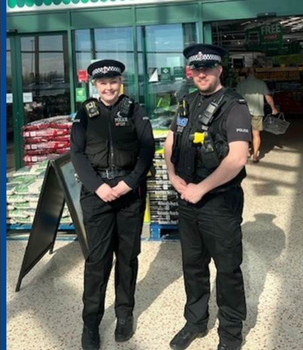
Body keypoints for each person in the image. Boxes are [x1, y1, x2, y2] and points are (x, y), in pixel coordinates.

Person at [164, 44, 250, 350]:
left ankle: (230, 334)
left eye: (207, 68)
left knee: (227, 269)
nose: (201, 74)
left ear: (219, 70)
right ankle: (195, 322)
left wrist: (202, 188)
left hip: (219, 204)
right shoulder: (186, 103)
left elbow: (237, 158)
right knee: (193, 265)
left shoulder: (234, 105)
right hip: (187, 201)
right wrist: (174, 177)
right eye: (196, 69)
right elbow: (170, 143)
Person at [69, 59, 155, 350]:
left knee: (128, 258)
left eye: (113, 81)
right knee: (98, 260)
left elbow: (147, 151)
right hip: (97, 196)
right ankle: (90, 323)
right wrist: (99, 187)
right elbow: (77, 155)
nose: (108, 87)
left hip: (129, 193)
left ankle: (124, 315)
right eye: (103, 83)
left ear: (121, 82)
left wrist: (128, 183)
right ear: (95, 85)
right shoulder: (85, 114)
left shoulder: (135, 111)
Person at [235, 67, 278, 163]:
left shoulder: (241, 84)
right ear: (255, 73)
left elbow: (236, 98)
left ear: (247, 74)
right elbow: (268, 97)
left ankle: (246, 152)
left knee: (244, 133)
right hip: (257, 112)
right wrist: (273, 108)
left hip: (243, 112)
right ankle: (255, 154)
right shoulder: (261, 83)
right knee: (256, 134)